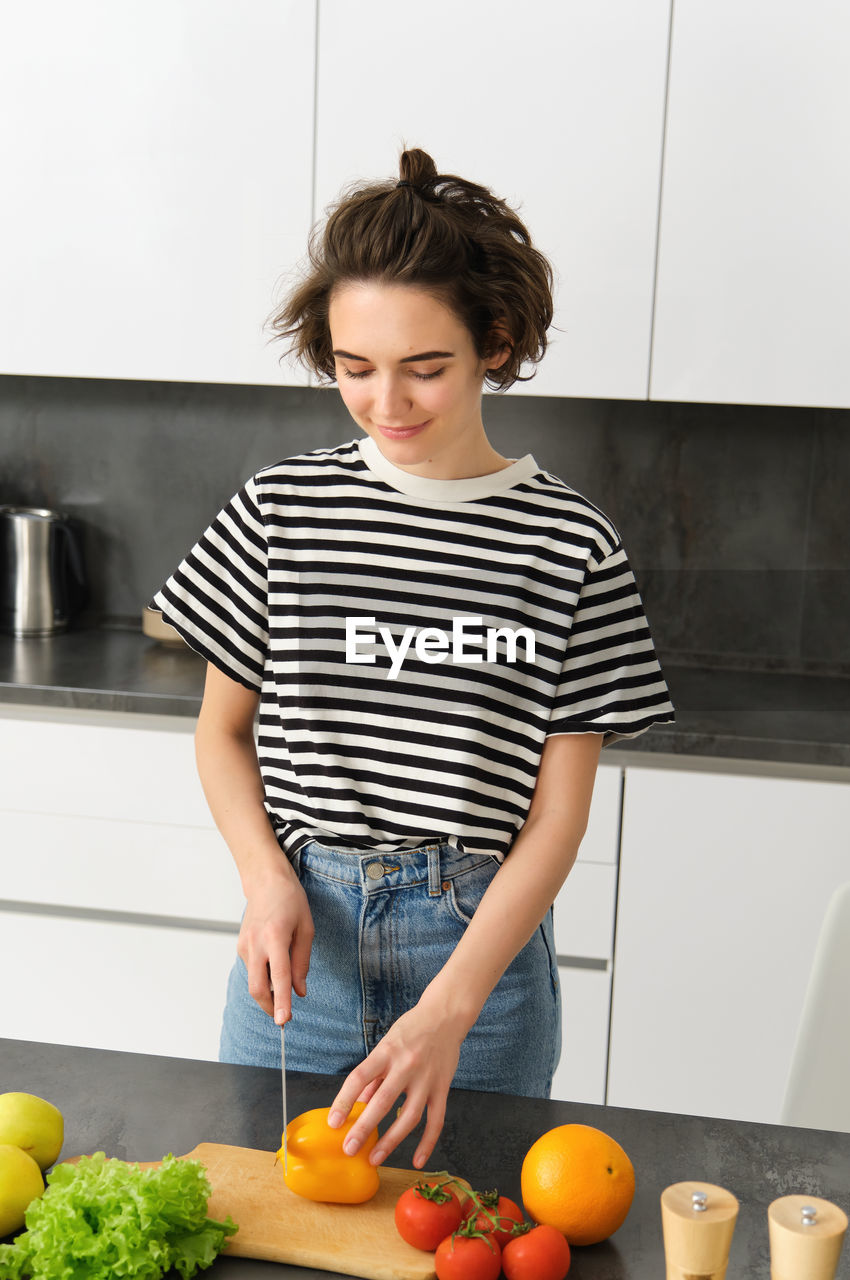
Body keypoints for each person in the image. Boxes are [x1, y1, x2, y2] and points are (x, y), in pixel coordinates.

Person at [152, 147, 675, 1172]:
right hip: (301, 954)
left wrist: (450, 1006)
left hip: (478, 968)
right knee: (267, 1226)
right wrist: (265, 879)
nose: (385, 400)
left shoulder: (570, 547)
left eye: (423, 367)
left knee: (464, 1233)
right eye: (354, 368)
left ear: (497, 342)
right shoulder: (281, 510)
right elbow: (220, 732)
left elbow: (557, 815)